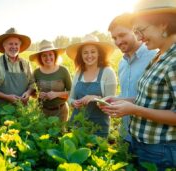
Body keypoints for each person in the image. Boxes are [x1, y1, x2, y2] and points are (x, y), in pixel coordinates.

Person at [101, 0, 176, 169]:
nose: (139, 37)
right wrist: (124, 101)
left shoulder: (173, 60)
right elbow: (149, 99)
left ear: (163, 25)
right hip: (143, 144)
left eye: (141, 30)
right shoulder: (160, 57)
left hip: (161, 149)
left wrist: (134, 110)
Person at [108, 13, 157, 143]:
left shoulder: (155, 56)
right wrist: (113, 100)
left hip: (148, 138)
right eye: (114, 38)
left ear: (135, 31)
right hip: (125, 134)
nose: (118, 41)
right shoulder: (122, 63)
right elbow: (127, 95)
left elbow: (157, 100)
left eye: (122, 35)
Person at [67, 34, 117, 138]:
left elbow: (111, 103)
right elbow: (70, 98)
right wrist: (73, 102)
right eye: (85, 52)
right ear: (81, 55)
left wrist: (95, 98)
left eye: (93, 51)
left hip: (98, 128)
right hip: (77, 125)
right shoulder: (78, 73)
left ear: (99, 53)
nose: (89, 55)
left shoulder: (108, 72)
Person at [0, 28, 35, 108]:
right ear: (4, 46)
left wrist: (28, 93)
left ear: (20, 46)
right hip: (2, 111)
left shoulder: (26, 63)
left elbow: (32, 83)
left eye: (16, 44)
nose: (14, 46)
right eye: (10, 44)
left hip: (23, 112)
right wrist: (6, 97)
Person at [29, 40, 72, 122]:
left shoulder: (63, 71)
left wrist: (57, 94)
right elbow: (33, 93)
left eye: (50, 54)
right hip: (42, 112)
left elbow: (72, 92)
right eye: (44, 55)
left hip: (61, 111)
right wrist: (38, 95)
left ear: (55, 55)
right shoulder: (36, 72)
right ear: (40, 58)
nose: (48, 58)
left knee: (61, 133)